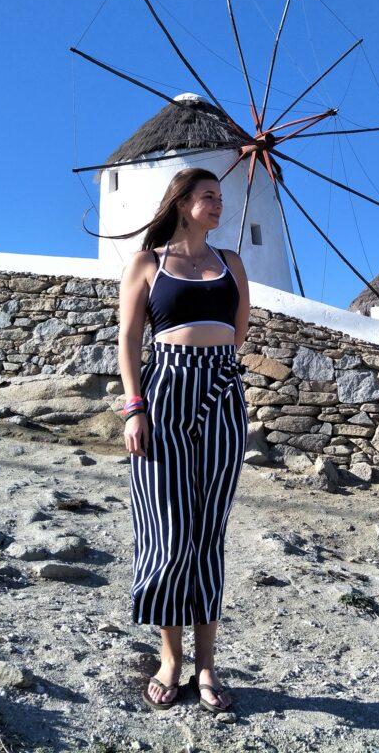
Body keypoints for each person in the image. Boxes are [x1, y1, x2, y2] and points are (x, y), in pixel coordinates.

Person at [117, 167, 250, 712]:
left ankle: (207, 664)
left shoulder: (231, 263)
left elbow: (239, 332)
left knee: (208, 534)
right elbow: (128, 338)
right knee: (168, 534)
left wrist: (211, 367)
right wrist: (134, 407)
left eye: (221, 197)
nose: (219, 205)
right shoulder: (147, 264)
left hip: (221, 390)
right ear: (181, 202)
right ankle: (170, 660)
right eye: (208, 197)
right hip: (165, 390)